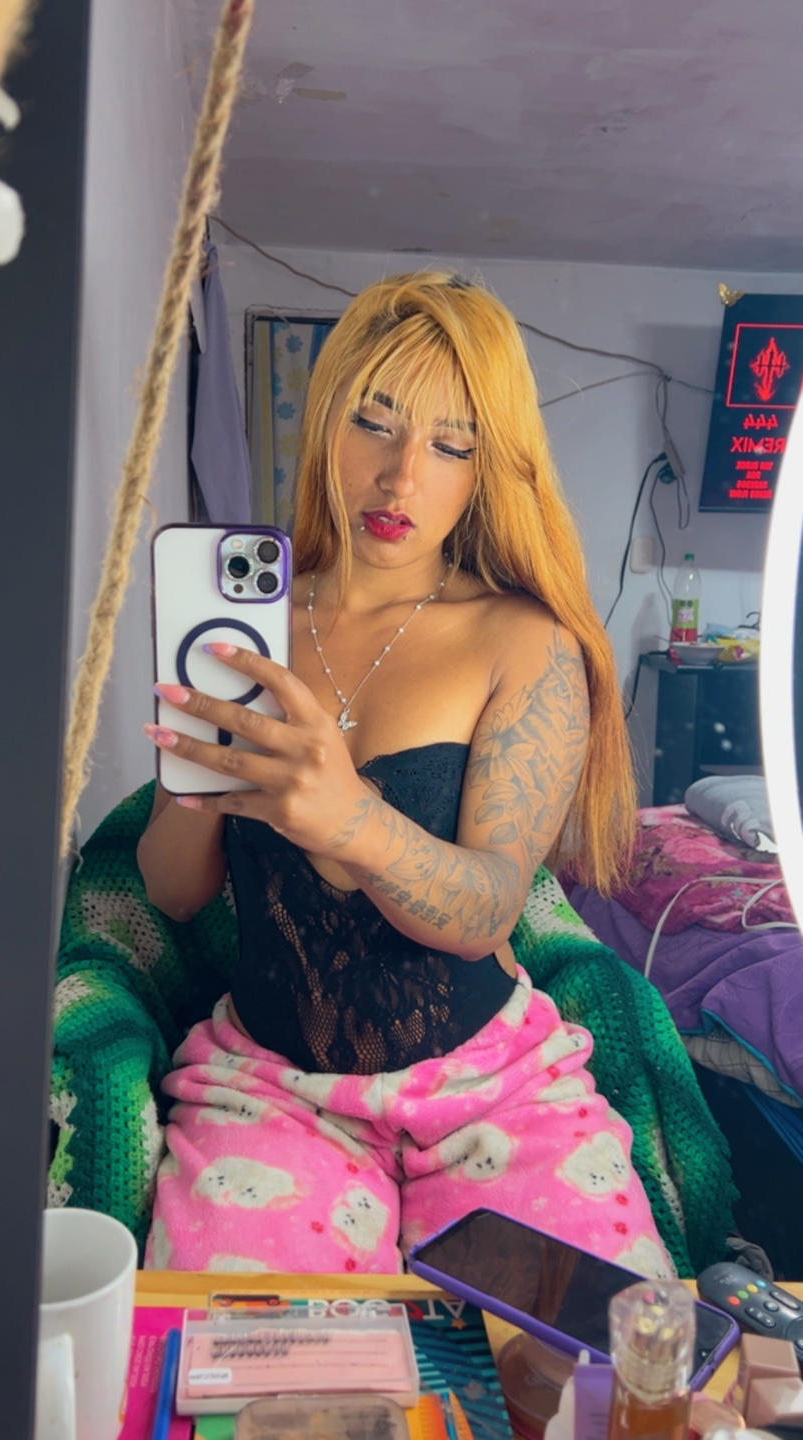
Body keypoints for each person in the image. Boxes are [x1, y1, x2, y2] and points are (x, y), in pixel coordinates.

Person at [138, 270, 672, 1278]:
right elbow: (173, 890)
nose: (400, 477)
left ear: (489, 468)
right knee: (248, 1367)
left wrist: (349, 819)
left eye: (451, 446)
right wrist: (198, 753)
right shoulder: (246, 628)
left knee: (594, 1355)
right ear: (325, 423)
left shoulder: (524, 642)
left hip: (490, 1089)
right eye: (375, 424)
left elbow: (489, 906)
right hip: (271, 1090)